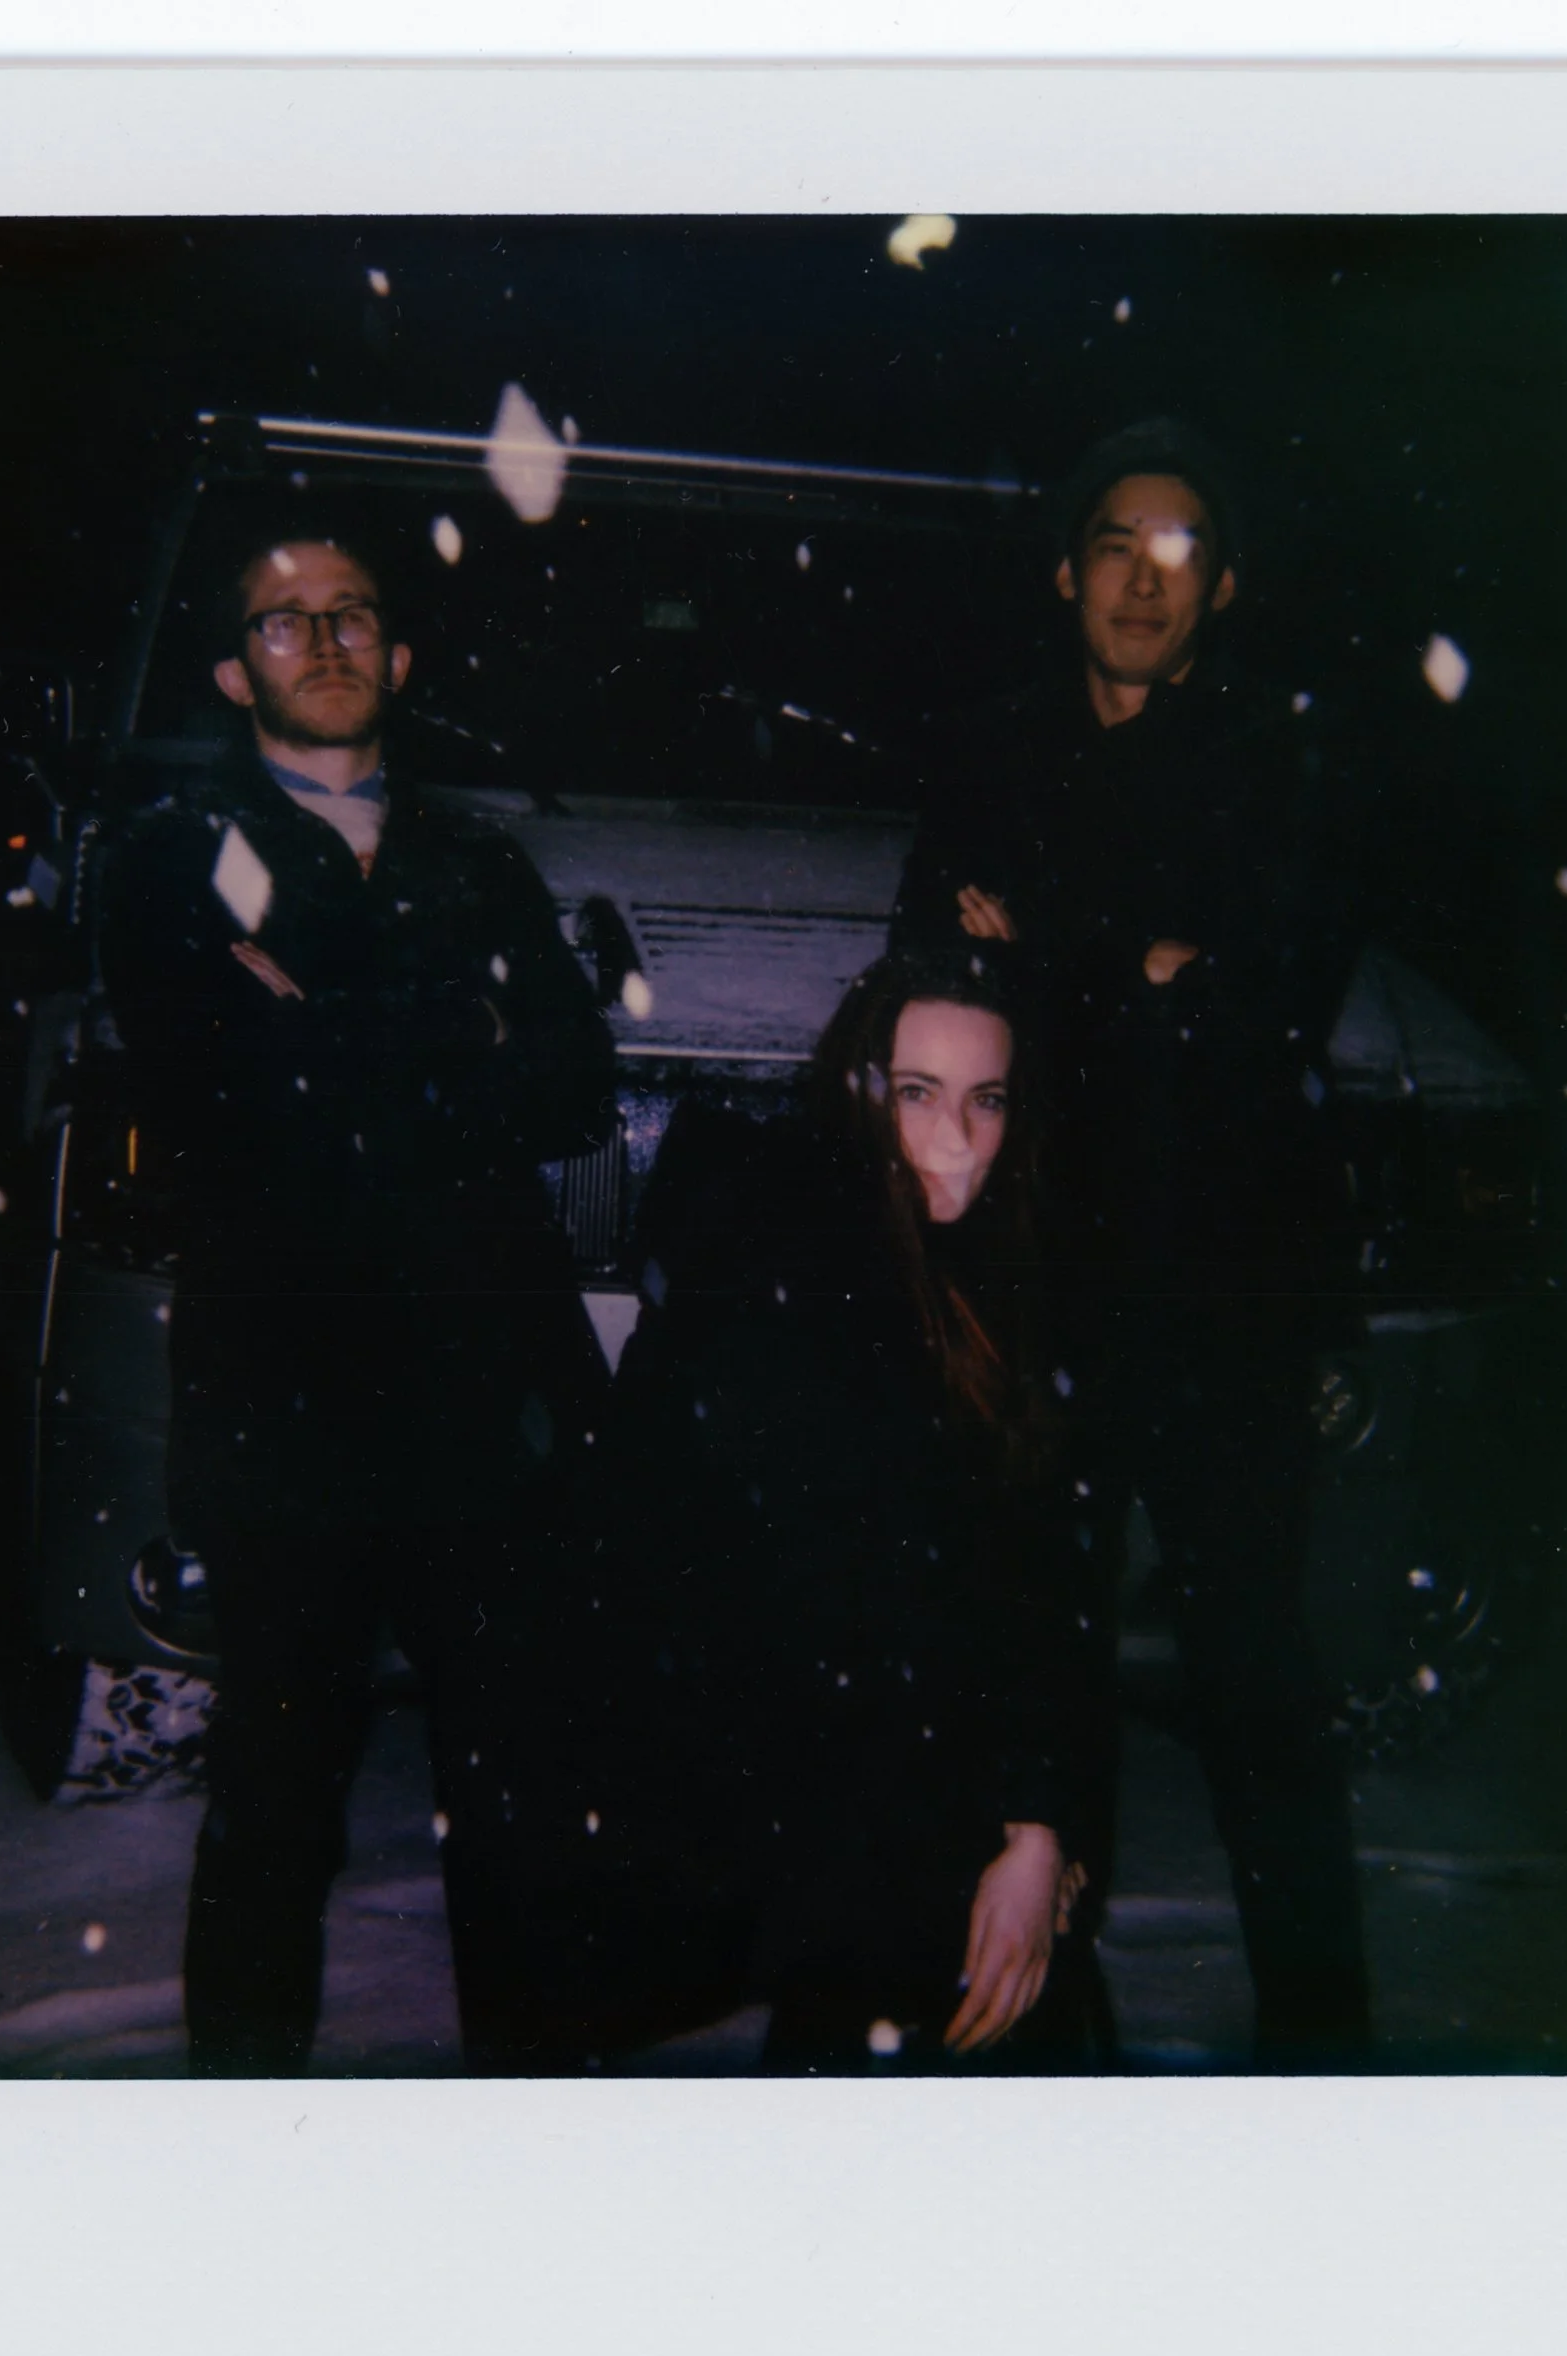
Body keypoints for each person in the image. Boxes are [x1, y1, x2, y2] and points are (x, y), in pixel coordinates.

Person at [99, 495, 617, 2076]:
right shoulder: (170, 858)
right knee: (276, 1804)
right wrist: (457, 1029)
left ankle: (529, 2139)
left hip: (488, 1406)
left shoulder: (479, 855)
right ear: (234, 670)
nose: (323, 640)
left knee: (519, 1801)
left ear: (398, 654)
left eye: (352, 614)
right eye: (284, 618)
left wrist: (326, 1020)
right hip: (290, 1415)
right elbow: (222, 1093)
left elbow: (576, 1087)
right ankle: (245, 2137)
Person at [890, 416, 1373, 2071]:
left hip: (1226, 1302)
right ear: (1064, 574)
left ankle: (1327, 2049)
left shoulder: (1281, 764)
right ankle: (1043, 2041)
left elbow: (1261, 1010)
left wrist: (1057, 953)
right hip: (1040, 1296)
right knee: (1038, 1672)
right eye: (1116, 545)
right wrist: (1144, 966)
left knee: (1256, 1689)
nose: (1144, 581)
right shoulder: (985, 752)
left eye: (1181, 552)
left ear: (1220, 588)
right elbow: (939, 984)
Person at [570, 947, 1111, 2075]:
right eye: (916, 1093)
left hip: (921, 1805)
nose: (954, 1138)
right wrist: (1017, 1828)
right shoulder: (794, 1280)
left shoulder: (1003, 1272)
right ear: (859, 1096)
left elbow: (1043, 1574)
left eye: (985, 1100)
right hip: (835, 1815)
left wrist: (1040, 1824)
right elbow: (876, 1612)